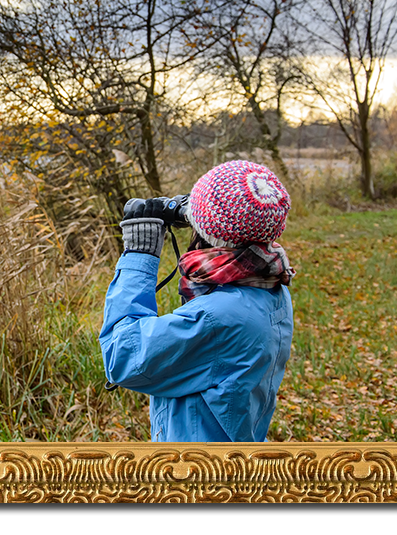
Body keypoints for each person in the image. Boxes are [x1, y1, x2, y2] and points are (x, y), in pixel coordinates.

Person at [99, 160, 295, 442]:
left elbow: (123, 358)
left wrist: (139, 255)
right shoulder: (272, 284)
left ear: (210, 233)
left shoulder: (219, 317)